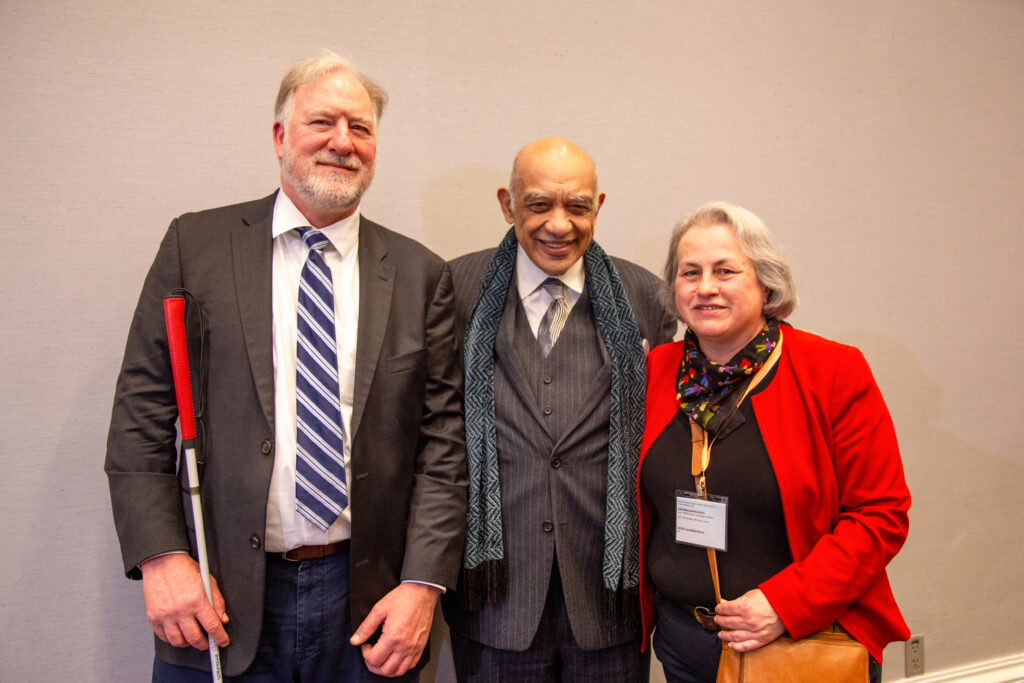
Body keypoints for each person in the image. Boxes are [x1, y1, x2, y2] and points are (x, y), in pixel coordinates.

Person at [105, 51, 466, 681]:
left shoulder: (420, 274)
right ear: (279, 136)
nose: (342, 142)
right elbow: (142, 412)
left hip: (371, 606)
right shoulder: (197, 247)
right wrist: (161, 558)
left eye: (360, 128)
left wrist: (423, 585)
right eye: (322, 122)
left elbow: (444, 446)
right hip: (220, 598)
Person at [637, 201, 911, 683]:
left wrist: (786, 605)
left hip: (800, 640)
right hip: (684, 640)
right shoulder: (657, 369)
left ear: (766, 282)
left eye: (726, 270)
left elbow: (880, 515)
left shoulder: (832, 372)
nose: (705, 288)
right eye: (689, 273)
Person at [442, 136, 677, 682]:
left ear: (597, 206)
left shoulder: (647, 297)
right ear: (507, 204)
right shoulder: (454, 288)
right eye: (539, 204)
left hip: (609, 598)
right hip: (494, 599)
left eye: (576, 206)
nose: (559, 224)